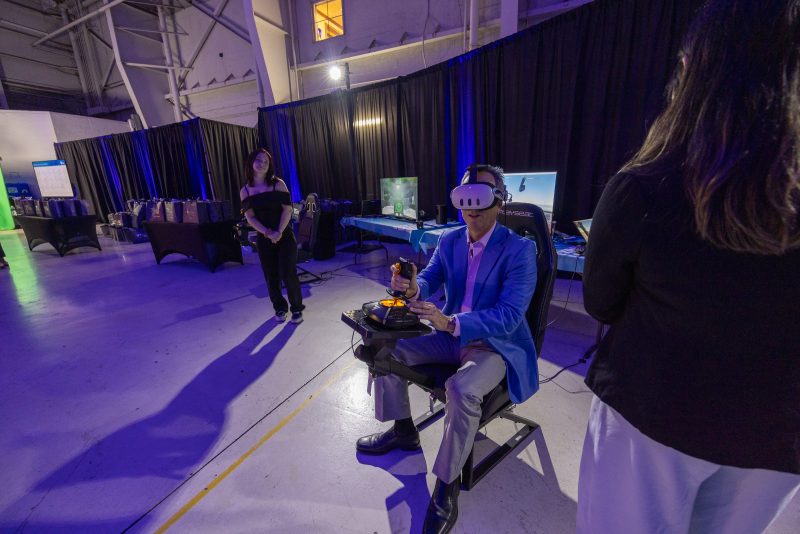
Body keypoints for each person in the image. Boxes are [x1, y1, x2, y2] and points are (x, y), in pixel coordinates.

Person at [577, 1, 800, 532]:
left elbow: (601, 302)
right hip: (777, 437)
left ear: (694, 72)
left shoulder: (643, 187)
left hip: (651, 414)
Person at [356, 165, 539, 533]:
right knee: (386, 349)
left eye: (482, 198)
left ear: (499, 202)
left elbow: (508, 316)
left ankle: (446, 486)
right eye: (467, 197)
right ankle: (403, 429)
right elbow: (430, 277)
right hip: (449, 334)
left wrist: (451, 322)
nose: (473, 208)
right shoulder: (451, 240)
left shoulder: (520, 250)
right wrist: (413, 288)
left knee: (461, 388)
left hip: (494, 345)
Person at [240, 148, 304, 324]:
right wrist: (267, 233)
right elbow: (250, 217)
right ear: (251, 163)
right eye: (258, 160)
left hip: (284, 234)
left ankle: (296, 308)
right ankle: (280, 308)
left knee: (288, 272)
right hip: (264, 237)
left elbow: (288, 210)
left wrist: (278, 232)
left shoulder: (278, 184)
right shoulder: (245, 190)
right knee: (271, 275)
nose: (262, 164)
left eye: (266, 162)